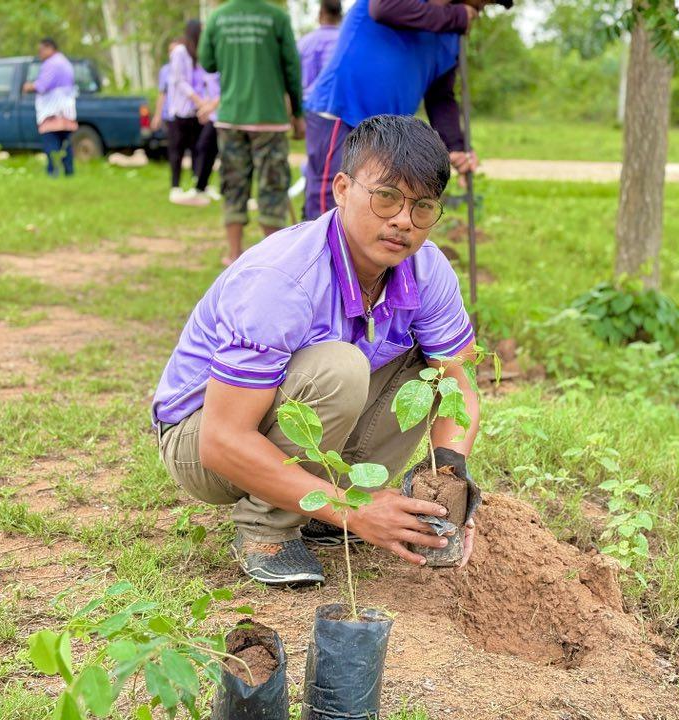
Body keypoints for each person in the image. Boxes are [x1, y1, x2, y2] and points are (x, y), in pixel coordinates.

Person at [153, 115, 480, 586]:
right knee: (340, 367)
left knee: (432, 373)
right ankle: (268, 528)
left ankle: (321, 510)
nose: (403, 221)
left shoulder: (427, 270)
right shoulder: (283, 279)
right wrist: (356, 510)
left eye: (423, 207)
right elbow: (221, 440)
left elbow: (459, 389)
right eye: (386, 197)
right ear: (343, 188)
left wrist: (451, 480)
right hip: (200, 439)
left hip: (272, 422)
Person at [303, 0, 491, 220]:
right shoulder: (404, 5)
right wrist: (456, 17)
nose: (480, 10)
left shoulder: (449, 37)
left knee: (376, 210)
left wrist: (456, 146)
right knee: (332, 207)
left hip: (386, 135)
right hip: (342, 114)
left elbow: (440, 96)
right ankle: (319, 254)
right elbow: (384, 8)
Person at [199, 0, 304, 266]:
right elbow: (292, 68)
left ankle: (234, 253)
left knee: (233, 183)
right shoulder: (276, 18)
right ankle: (274, 257)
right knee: (273, 184)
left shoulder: (217, 18)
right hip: (269, 117)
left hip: (231, 116)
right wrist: (298, 113)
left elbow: (208, 62)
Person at [167, 20, 210, 207]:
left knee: (196, 149)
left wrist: (204, 103)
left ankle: (196, 185)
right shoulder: (179, 52)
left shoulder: (198, 54)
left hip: (196, 111)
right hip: (180, 110)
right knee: (177, 149)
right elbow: (179, 81)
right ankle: (175, 186)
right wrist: (198, 99)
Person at [22, 38, 77, 178]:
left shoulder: (51, 64)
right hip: (66, 109)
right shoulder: (66, 62)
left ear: (49, 48)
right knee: (65, 144)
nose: (39, 54)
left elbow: (42, 86)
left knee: (51, 143)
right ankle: (69, 172)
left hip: (52, 110)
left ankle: (53, 172)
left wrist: (29, 86)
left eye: (41, 50)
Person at [298, 0, 343, 100]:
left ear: (320, 14)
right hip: (337, 110)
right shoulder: (346, 43)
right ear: (340, 16)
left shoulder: (304, 43)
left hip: (308, 107)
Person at [192, 67, 222, 202]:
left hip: (228, 117)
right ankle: (201, 187)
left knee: (228, 155)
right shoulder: (206, 70)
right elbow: (210, 93)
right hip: (215, 117)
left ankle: (228, 190)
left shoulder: (223, 65)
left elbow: (227, 91)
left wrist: (208, 109)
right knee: (204, 148)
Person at [150, 40, 181, 134]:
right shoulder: (165, 70)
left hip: (187, 116)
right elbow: (162, 94)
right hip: (170, 116)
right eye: (170, 51)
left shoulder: (189, 69)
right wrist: (157, 116)